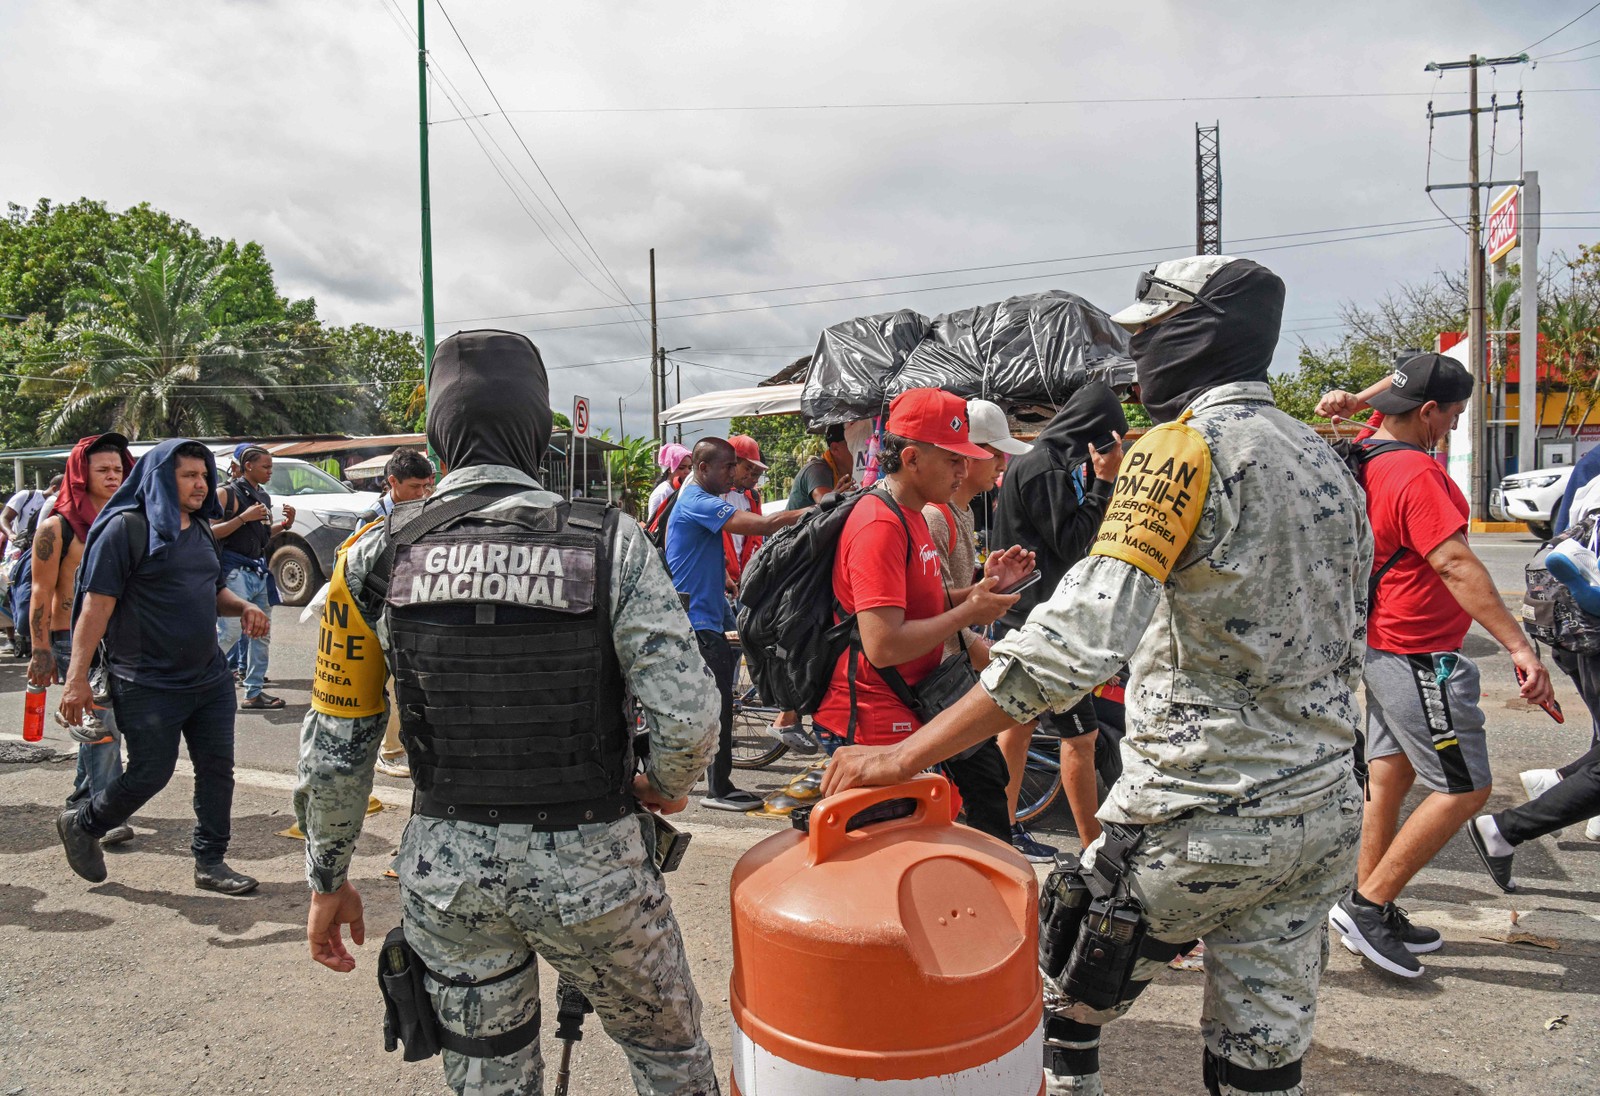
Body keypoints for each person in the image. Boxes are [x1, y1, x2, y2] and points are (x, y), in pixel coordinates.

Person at [824, 257, 1372, 1096]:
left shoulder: (1179, 450)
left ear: (1195, 338)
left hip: (1201, 813)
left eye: (1149, 337)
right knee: (1261, 1051)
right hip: (1324, 813)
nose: (1138, 359)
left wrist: (902, 758)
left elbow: (1076, 640)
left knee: (1056, 991)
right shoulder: (1324, 458)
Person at [294, 329, 722, 1095]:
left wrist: (327, 877)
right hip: (596, 872)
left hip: (449, 882)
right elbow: (688, 717)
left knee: (489, 1080)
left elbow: (336, 747)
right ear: (539, 431)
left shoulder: (372, 554)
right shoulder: (611, 542)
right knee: (669, 1059)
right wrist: (666, 785)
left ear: (437, 433)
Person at [1315, 353, 1554, 979]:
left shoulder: (1368, 449)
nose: (1450, 426)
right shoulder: (1417, 476)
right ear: (1427, 412)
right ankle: (1368, 908)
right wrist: (1519, 647)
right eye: (1449, 415)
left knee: (1390, 774)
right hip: (1417, 652)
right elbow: (1454, 565)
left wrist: (1355, 397)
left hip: (1382, 643)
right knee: (1464, 786)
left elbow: (1387, 399)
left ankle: (1367, 898)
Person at [813, 389, 1031, 843]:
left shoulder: (910, 515)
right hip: (873, 728)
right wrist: (967, 612)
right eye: (953, 459)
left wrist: (977, 592)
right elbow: (884, 644)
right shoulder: (880, 525)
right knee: (887, 879)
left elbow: (921, 601)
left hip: (909, 716)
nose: (962, 470)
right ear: (911, 458)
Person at [54, 440, 270, 895]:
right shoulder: (125, 529)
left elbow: (211, 592)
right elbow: (95, 607)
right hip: (146, 681)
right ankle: (85, 823)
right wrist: (75, 680)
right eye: (189, 475)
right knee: (151, 773)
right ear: (159, 478)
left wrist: (244, 606)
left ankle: (210, 861)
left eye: (204, 475)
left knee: (217, 769)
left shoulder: (202, 530)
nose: (201, 483)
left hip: (208, 676)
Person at [990, 383, 1127, 862]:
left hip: (1032, 617)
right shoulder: (1044, 467)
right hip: (1043, 626)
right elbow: (1071, 544)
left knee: (1018, 728)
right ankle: (1092, 849)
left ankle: (1001, 831)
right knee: (1080, 737)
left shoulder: (1045, 464)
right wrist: (1103, 484)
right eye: (1110, 440)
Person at [667, 437, 803, 810]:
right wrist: (810, 511)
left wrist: (726, 581)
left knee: (721, 701)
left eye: (734, 466)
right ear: (702, 468)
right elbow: (758, 526)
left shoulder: (700, 498)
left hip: (712, 612)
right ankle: (719, 789)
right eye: (727, 467)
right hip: (697, 621)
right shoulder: (697, 500)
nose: (733, 474)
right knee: (721, 704)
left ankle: (717, 783)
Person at [28, 433, 135, 841]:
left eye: (118, 469)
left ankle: (80, 801)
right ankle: (104, 813)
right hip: (71, 637)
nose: (113, 476)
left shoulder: (128, 517)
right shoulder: (57, 526)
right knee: (102, 726)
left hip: (119, 638)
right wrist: (40, 650)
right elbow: (41, 591)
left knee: (95, 725)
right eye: (102, 470)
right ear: (80, 473)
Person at [211, 444, 295, 710]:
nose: (270, 472)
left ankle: (253, 692)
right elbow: (210, 532)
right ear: (248, 466)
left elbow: (260, 536)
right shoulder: (225, 494)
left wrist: (283, 526)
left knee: (261, 632)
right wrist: (243, 518)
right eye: (266, 467)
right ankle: (196, 680)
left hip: (258, 571)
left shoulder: (263, 497)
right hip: (233, 571)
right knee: (231, 632)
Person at [5, 473, 64, 660]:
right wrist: (11, 535)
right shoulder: (28, 496)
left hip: (41, 553)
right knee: (19, 594)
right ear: (55, 488)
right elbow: (4, 517)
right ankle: (15, 635)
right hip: (20, 552)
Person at [356, 447, 436, 528]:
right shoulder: (370, 520)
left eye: (425, 486)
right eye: (414, 486)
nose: (421, 493)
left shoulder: (427, 512)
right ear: (393, 481)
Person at [786, 423, 854, 509]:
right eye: (854, 443)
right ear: (835, 449)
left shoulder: (847, 473)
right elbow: (827, 506)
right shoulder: (817, 470)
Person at [648, 442, 691, 523]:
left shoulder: (682, 490)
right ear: (669, 469)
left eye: (690, 467)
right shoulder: (663, 492)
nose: (687, 472)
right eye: (682, 468)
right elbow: (653, 525)